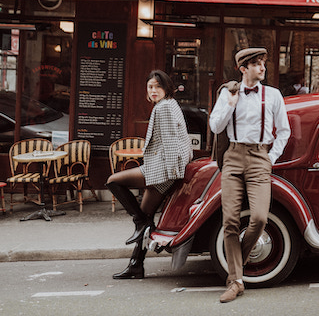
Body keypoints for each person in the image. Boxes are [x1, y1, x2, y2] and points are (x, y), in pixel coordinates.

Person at [209, 47, 290, 303]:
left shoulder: (273, 95)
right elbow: (214, 126)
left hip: (259, 158)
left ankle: (236, 268)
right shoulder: (228, 93)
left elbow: (284, 131)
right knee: (230, 221)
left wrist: (270, 158)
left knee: (258, 217)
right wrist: (230, 106)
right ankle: (236, 281)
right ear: (243, 69)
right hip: (232, 157)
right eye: (256, 64)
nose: (262, 68)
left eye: (263, 63)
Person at [106, 70, 193, 280]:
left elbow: (172, 143)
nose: (153, 91)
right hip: (162, 167)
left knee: (113, 181)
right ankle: (136, 264)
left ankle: (140, 224)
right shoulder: (170, 104)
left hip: (163, 171)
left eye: (157, 86)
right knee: (145, 214)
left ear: (166, 87)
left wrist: (171, 174)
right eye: (150, 87)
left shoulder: (163, 108)